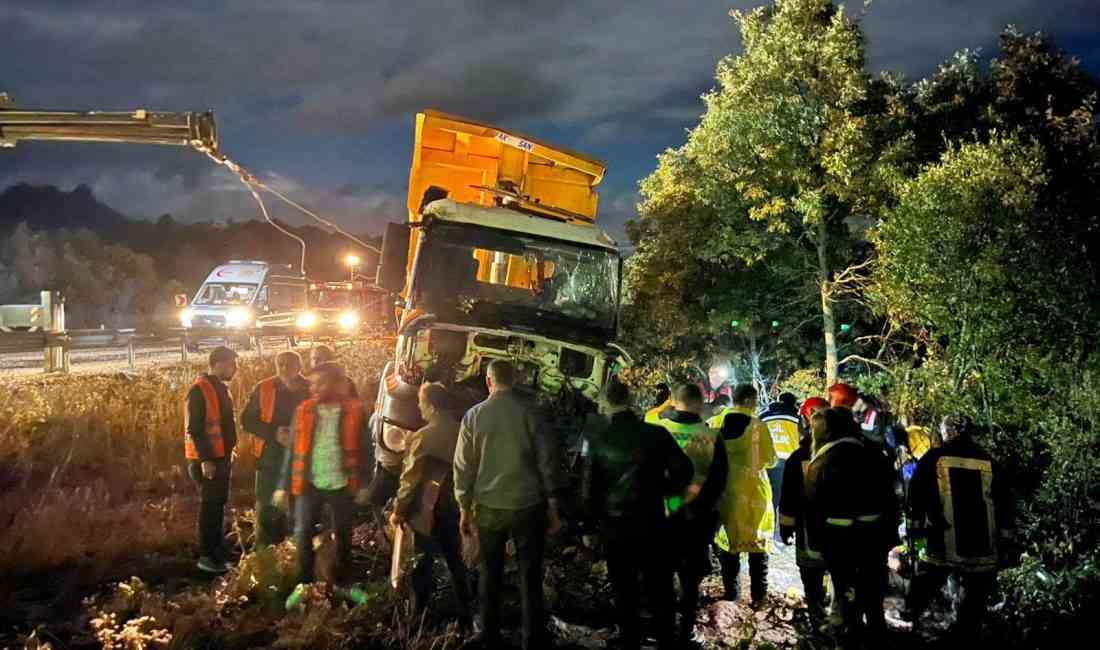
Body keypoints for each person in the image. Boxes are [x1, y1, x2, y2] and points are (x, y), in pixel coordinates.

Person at [454, 360, 562, 650]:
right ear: (514, 381)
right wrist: (553, 504)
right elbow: (547, 462)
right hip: (529, 506)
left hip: (489, 508)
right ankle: (533, 638)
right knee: (530, 574)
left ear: (488, 381)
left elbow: (463, 468)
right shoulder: (532, 414)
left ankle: (489, 636)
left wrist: (464, 507)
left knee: (490, 572)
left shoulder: (473, 417)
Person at [583, 380, 693, 650]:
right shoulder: (656, 434)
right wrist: (667, 494)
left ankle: (630, 639)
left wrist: (589, 525)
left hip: (616, 526)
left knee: (624, 590)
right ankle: (665, 639)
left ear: (606, 404)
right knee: (660, 587)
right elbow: (685, 471)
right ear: (630, 400)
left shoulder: (598, 441)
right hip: (653, 521)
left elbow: (591, 489)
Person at [904, 415, 1014, 640]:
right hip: (983, 540)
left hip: (944, 536)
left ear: (947, 432)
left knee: (928, 577)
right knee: (975, 591)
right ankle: (965, 630)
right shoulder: (988, 460)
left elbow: (916, 492)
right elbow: (1004, 501)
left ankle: (912, 614)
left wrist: (915, 525)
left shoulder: (934, 457)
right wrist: (1007, 538)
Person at [804, 408, 898, 644]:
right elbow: (892, 499)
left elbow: (813, 505)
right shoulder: (876, 455)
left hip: (838, 539)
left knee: (845, 588)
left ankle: (849, 634)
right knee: (873, 589)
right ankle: (877, 633)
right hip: (873, 536)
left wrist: (816, 544)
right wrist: (889, 535)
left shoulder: (823, 459)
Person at [274, 362, 370, 585]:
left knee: (344, 534)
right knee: (303, 532)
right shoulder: (304, 411)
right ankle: (306, 583)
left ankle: (342, 580)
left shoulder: (355, 411)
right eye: (313, 383)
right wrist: (282, 486)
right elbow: (292, 451)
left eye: (321, 383)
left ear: (337, 384)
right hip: (310, 484)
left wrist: (365, 484)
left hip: (343, 484)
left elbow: (366, 449)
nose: (314, 388)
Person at [389, 382, 472, 625]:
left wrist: (399, 510)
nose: (419, 407)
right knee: (456, 560)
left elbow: (410, 480)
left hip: (428, 510)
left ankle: (419, 614)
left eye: (421, 402)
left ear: (432, 406)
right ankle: (466, 610)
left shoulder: (423, 437)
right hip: (458, 508)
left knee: (422, 562)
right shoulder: (465, 432)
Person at [652, 383, 727, 647]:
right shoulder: (713, 437)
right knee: (690, 580)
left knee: (661, 575)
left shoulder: (659, 431)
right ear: (700, 403)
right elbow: (719, 482)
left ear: (673, 401)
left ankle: (660, 631)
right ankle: (685, 633)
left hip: (663, 515)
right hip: (698, 519)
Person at [708, 384, 777, 607]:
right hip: (754, 491)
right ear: (748, 400)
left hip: (725, 490)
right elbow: (770, 459)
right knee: (758, 545)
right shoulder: (758, 426)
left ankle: (732, 594)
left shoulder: (716, 422)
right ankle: (758, 596)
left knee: (728, 545)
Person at [242, 350, 311, 548]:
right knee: (267, 506)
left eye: (289, 364)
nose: (284, 368)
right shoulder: (264, 388)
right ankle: (265, 553)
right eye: (280, 364)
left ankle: (297, 551)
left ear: (299, 367)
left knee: (301, 506)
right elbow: (247, 420)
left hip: (303, 456)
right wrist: (274, 433)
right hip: (270, 456)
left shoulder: (311, 388)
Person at [185, 346, 239, 574]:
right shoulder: (200, 390)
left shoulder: (219, 389)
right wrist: (207, 460)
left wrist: (228, 450)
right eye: (230, 364)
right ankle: (207, 556)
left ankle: (218, 551)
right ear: (216, 364)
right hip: (207, 461)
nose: (234, 369)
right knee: (210, 508)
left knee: (217, 506)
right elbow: (195, 429)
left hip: (219, 457)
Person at [778, 401, 830, 624]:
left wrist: (786, 528)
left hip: (811, 533)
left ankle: (818, 620)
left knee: (812, 578)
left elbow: (788, 498)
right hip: (849, 536)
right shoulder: (853, 451)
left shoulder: (798, 459)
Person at [760, 392, 800, 543]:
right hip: (788, 462)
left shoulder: (764, 415)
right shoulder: (796, 418)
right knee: (787, 499)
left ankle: (767, 529)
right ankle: (783, 532)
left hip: (766, 461)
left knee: (770, 497)